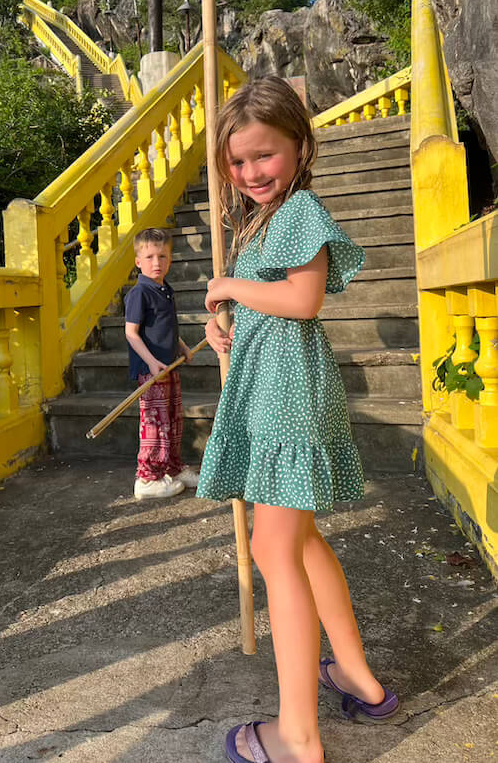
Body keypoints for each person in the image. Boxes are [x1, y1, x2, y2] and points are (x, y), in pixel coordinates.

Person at [196, 77, 399, 763]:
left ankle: (298, 737)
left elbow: (304, 298)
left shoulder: (301, 209)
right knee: (303, 542)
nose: (251, 172)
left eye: (264, 156)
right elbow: (271, 302)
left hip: (289, 394)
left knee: (272, 549)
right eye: (237, 161)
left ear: (300, 146)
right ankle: (360, 679)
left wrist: (226, 286)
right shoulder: (259, 219)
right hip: (271, 382)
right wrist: (230, 324)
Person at [125, 228, 200, 499]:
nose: (157, 262)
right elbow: (131, 333)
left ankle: (173, 467)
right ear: (138, 261)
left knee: (173, 420)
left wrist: (182, 347)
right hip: (151, 371)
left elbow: (166, 328)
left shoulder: (165, 289)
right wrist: (152, 363)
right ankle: (147, 479)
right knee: (155, 424)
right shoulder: (140, 293)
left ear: (170, 260)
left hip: (169, 366)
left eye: (163, 256)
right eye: (150, 256)